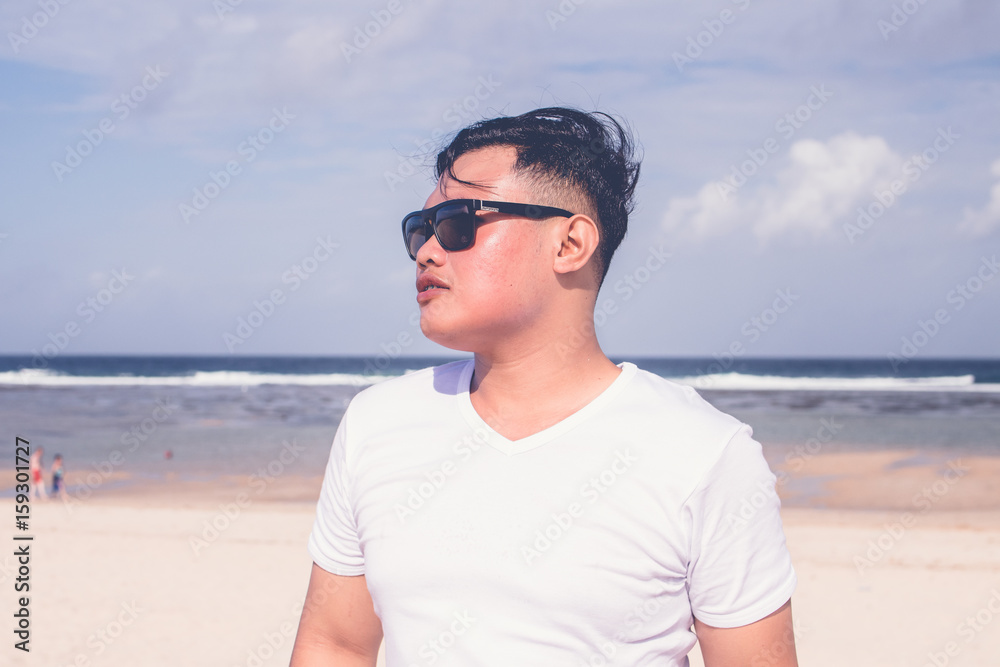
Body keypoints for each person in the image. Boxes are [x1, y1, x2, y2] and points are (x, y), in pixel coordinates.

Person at [291, 107, 798, 666]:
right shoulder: (377, 423)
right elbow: (335, 645)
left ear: (570, 244)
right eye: (420, 229)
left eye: (459, 223)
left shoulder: (704, 453)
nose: (427, 251)